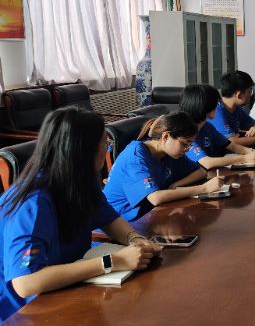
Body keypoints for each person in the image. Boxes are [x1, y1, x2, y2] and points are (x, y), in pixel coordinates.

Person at [0, 108, 161, 319]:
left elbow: (109, 218)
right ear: (85, 151)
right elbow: (26, 283)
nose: (107, 149)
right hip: (24, 311)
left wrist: (135, 239)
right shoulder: (33, 202)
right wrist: (112, 261)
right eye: (106, 144)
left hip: (71, 287)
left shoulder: (80, 180)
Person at [103, 112, 223, 221]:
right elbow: (155, 198)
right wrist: (204, 188)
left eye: (190, 145)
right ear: (165, 136)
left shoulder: (169, 153)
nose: (187, 149)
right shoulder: (135, 157)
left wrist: (175, 185)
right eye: (184, 144)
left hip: (151, 214)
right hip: (120, 222)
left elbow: (200, 171)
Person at [179, 84, 255, 170]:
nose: (218, 106)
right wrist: (244, 158)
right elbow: (207, 163)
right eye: (216, 103)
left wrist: (254, 152)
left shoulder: (207, 126)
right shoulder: (185, 133)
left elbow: (230, 145)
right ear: (206, 106)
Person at [210, 70, 255, 146]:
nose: (251, 95)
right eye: (249, 91)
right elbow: (231, 143)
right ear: (239, 95)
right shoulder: (216, 112)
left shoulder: (236, 109)